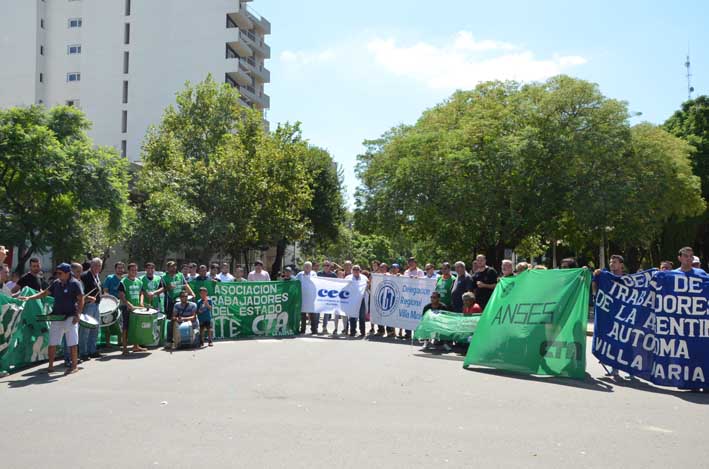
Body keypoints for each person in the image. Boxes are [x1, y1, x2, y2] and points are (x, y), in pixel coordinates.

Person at [20, 263, 84, 374]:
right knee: (52, 342)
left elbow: (81, 299)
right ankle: (50, 366)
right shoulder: (56, 283)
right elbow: (44, 293)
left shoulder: (75, 283)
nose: (58, 275)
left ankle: (74, 366)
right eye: (57, 273)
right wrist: (29, 297)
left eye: (60, 273)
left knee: (72, 343)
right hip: (57, 317)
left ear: (67, 273)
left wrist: (78, 315)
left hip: (70, 317)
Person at [118, 262, 149, 355]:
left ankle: (136, 346)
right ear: (128, 271)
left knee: (136, 327)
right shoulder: (123, 282)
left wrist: (141, 302)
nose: (134, 272)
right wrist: (128, 304)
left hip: (137, 308)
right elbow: (121, 295)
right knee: (126, 327)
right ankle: (124, 348)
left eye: (136, 270)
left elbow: (142, 293)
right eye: (132, 270)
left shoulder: (139, 281)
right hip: (126, 308)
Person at [163, 261, 195, 344]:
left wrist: (192, 293)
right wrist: (168, 287)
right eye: (171, 266)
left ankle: (181, 338)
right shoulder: (164, 277)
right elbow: (163, 289)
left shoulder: (180, 275)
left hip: (181, 301)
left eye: (174, 266)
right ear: (168, 268)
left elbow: (185, 285)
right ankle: (169, 340)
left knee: (183, 319)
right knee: (171, 321)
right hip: (171, 302)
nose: (173, 268)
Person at [79, 258, 103, 360]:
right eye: (96, 265)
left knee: (95, 328)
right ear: (91, 266)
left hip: (96, 305)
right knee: (85, 329)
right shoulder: (84, 276)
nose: (98, 267)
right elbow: (79, 291)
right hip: (88, 305)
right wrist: (88, 298)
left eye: (99, 266)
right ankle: (83, 352)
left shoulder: (96, 275)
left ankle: (92, 350)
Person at [344, 265, 367, 337]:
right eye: (354, 269)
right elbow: (344, 287)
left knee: (362, 316)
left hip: (361, 299)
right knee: (352, 316)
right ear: (352, 270)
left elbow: (367, 285)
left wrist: (368, 283)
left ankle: (362, 331)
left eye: (357, 269)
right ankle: (352, 331)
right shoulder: (348, 278)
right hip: (352, 300)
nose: (356, 271)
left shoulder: (364, 277)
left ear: (360, 270)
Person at [296, 261, 318, 334]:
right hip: (302, 297)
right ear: (303, 267)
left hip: (311, 298)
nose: (307, 268)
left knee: (313, 315)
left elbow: (317, 283)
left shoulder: (314, 274)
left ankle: (314, 329)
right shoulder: (299, 274)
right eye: (306, 266)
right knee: (302, 316)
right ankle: (303, 329)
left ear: (311, 267)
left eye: (309, 266)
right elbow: (295, 283)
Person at [317, 260, 337, 334]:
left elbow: (336, 285)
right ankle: (315, 327)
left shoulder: (333, 275)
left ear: (330, 267)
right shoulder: (318, 274)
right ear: (323, 266)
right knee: (317, 311)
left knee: (326, 312)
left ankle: (324, 327)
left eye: (327, 265)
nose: (326, 267)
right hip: (319, 295)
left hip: (329, 296)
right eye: (325, 265)